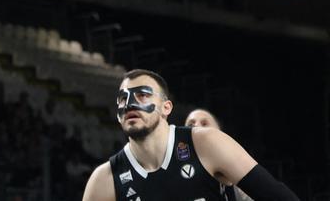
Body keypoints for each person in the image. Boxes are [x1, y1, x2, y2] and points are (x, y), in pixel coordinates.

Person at [82, 69, 299, 201]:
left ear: (166, 107)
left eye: (142, 95)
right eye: (123, 98)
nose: (130, 104)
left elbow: (277, 196)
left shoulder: (206, 143)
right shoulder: (104, 180)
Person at [186, 108, 255, 201]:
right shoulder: (173, 175)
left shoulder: (238, 178)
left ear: (220, 134)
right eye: (190, 125)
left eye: (204, 124)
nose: (196, 126)